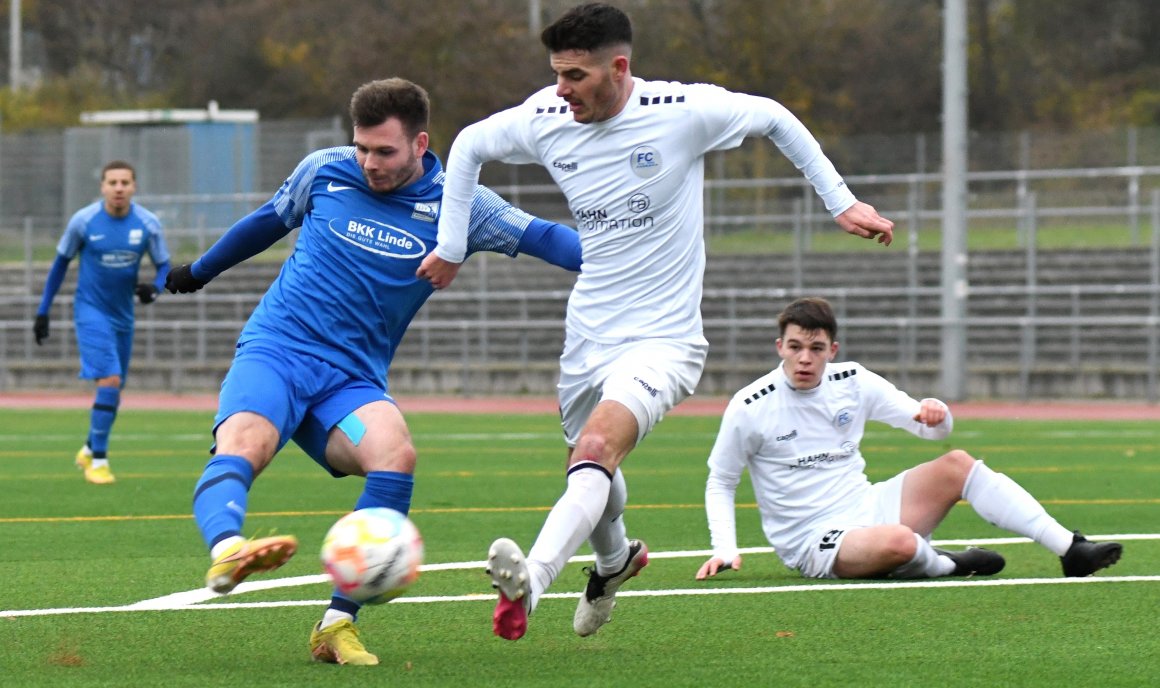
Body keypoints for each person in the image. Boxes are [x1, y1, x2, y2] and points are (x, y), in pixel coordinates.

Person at [417, 2, 895, 641]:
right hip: (587, 332)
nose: (562, 90)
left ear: (618, 68)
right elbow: (470, 145)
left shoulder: (682, 112)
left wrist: (840, 202)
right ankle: (613, 561)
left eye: (576, 76)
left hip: (663, 340)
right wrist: (452, 246)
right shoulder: (547, 117)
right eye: (557, 74)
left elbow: (775, 117)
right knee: (589, 474)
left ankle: (531, 581)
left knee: (594, 450)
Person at [163, 78, 582, 666]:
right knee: (245, 442)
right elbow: (267, 221)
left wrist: (617, 254)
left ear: (420, 144)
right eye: (361, 147)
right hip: (277, 351)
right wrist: (199, 271)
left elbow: (543, 237)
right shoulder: (326, 171)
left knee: (395, 453)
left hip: (350, 383)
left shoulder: (458, 203)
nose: (368, 163)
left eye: (384, 151)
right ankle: (230, 548)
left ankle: (336, 625)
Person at [695, 296, 1123, 584]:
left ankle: (1071, 549)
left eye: (816, 348)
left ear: (833, 349)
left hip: (869, 505)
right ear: (779, 347)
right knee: (899, 541)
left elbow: (930, 429)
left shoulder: (854, 380)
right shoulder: (750, 404)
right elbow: (722, 481)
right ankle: (950, 564)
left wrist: (937, 411)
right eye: (795, 347)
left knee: (957, 463)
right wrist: (725, 548)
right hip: (813, 538)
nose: (805, 358)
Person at [33, 160, 170, 485]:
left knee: (115, 387)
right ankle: (99, 461)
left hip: (123, 314)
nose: (119, 188)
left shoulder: (148, 224)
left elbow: (164, 266)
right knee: (108, 380)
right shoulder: (83, 221)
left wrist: (155, 289)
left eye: (125, 182)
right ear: (103, 187)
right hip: (91, 311)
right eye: (113, 182)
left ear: (134, 186)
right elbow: (59, 266)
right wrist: (43, 310)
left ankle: (88, 447)